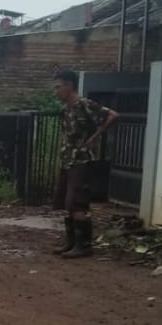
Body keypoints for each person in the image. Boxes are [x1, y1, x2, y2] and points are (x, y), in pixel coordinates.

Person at [53, 70, 118, 258]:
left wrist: (95, 137)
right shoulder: (66, 109)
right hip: (68, 157)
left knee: (77, 200)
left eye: (59, 87)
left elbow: (112, 115)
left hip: (82, 158)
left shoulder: (85, 104)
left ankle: (84, 244)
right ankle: (71, 242)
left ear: (69, 85)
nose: (56, 91)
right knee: (67, 201)